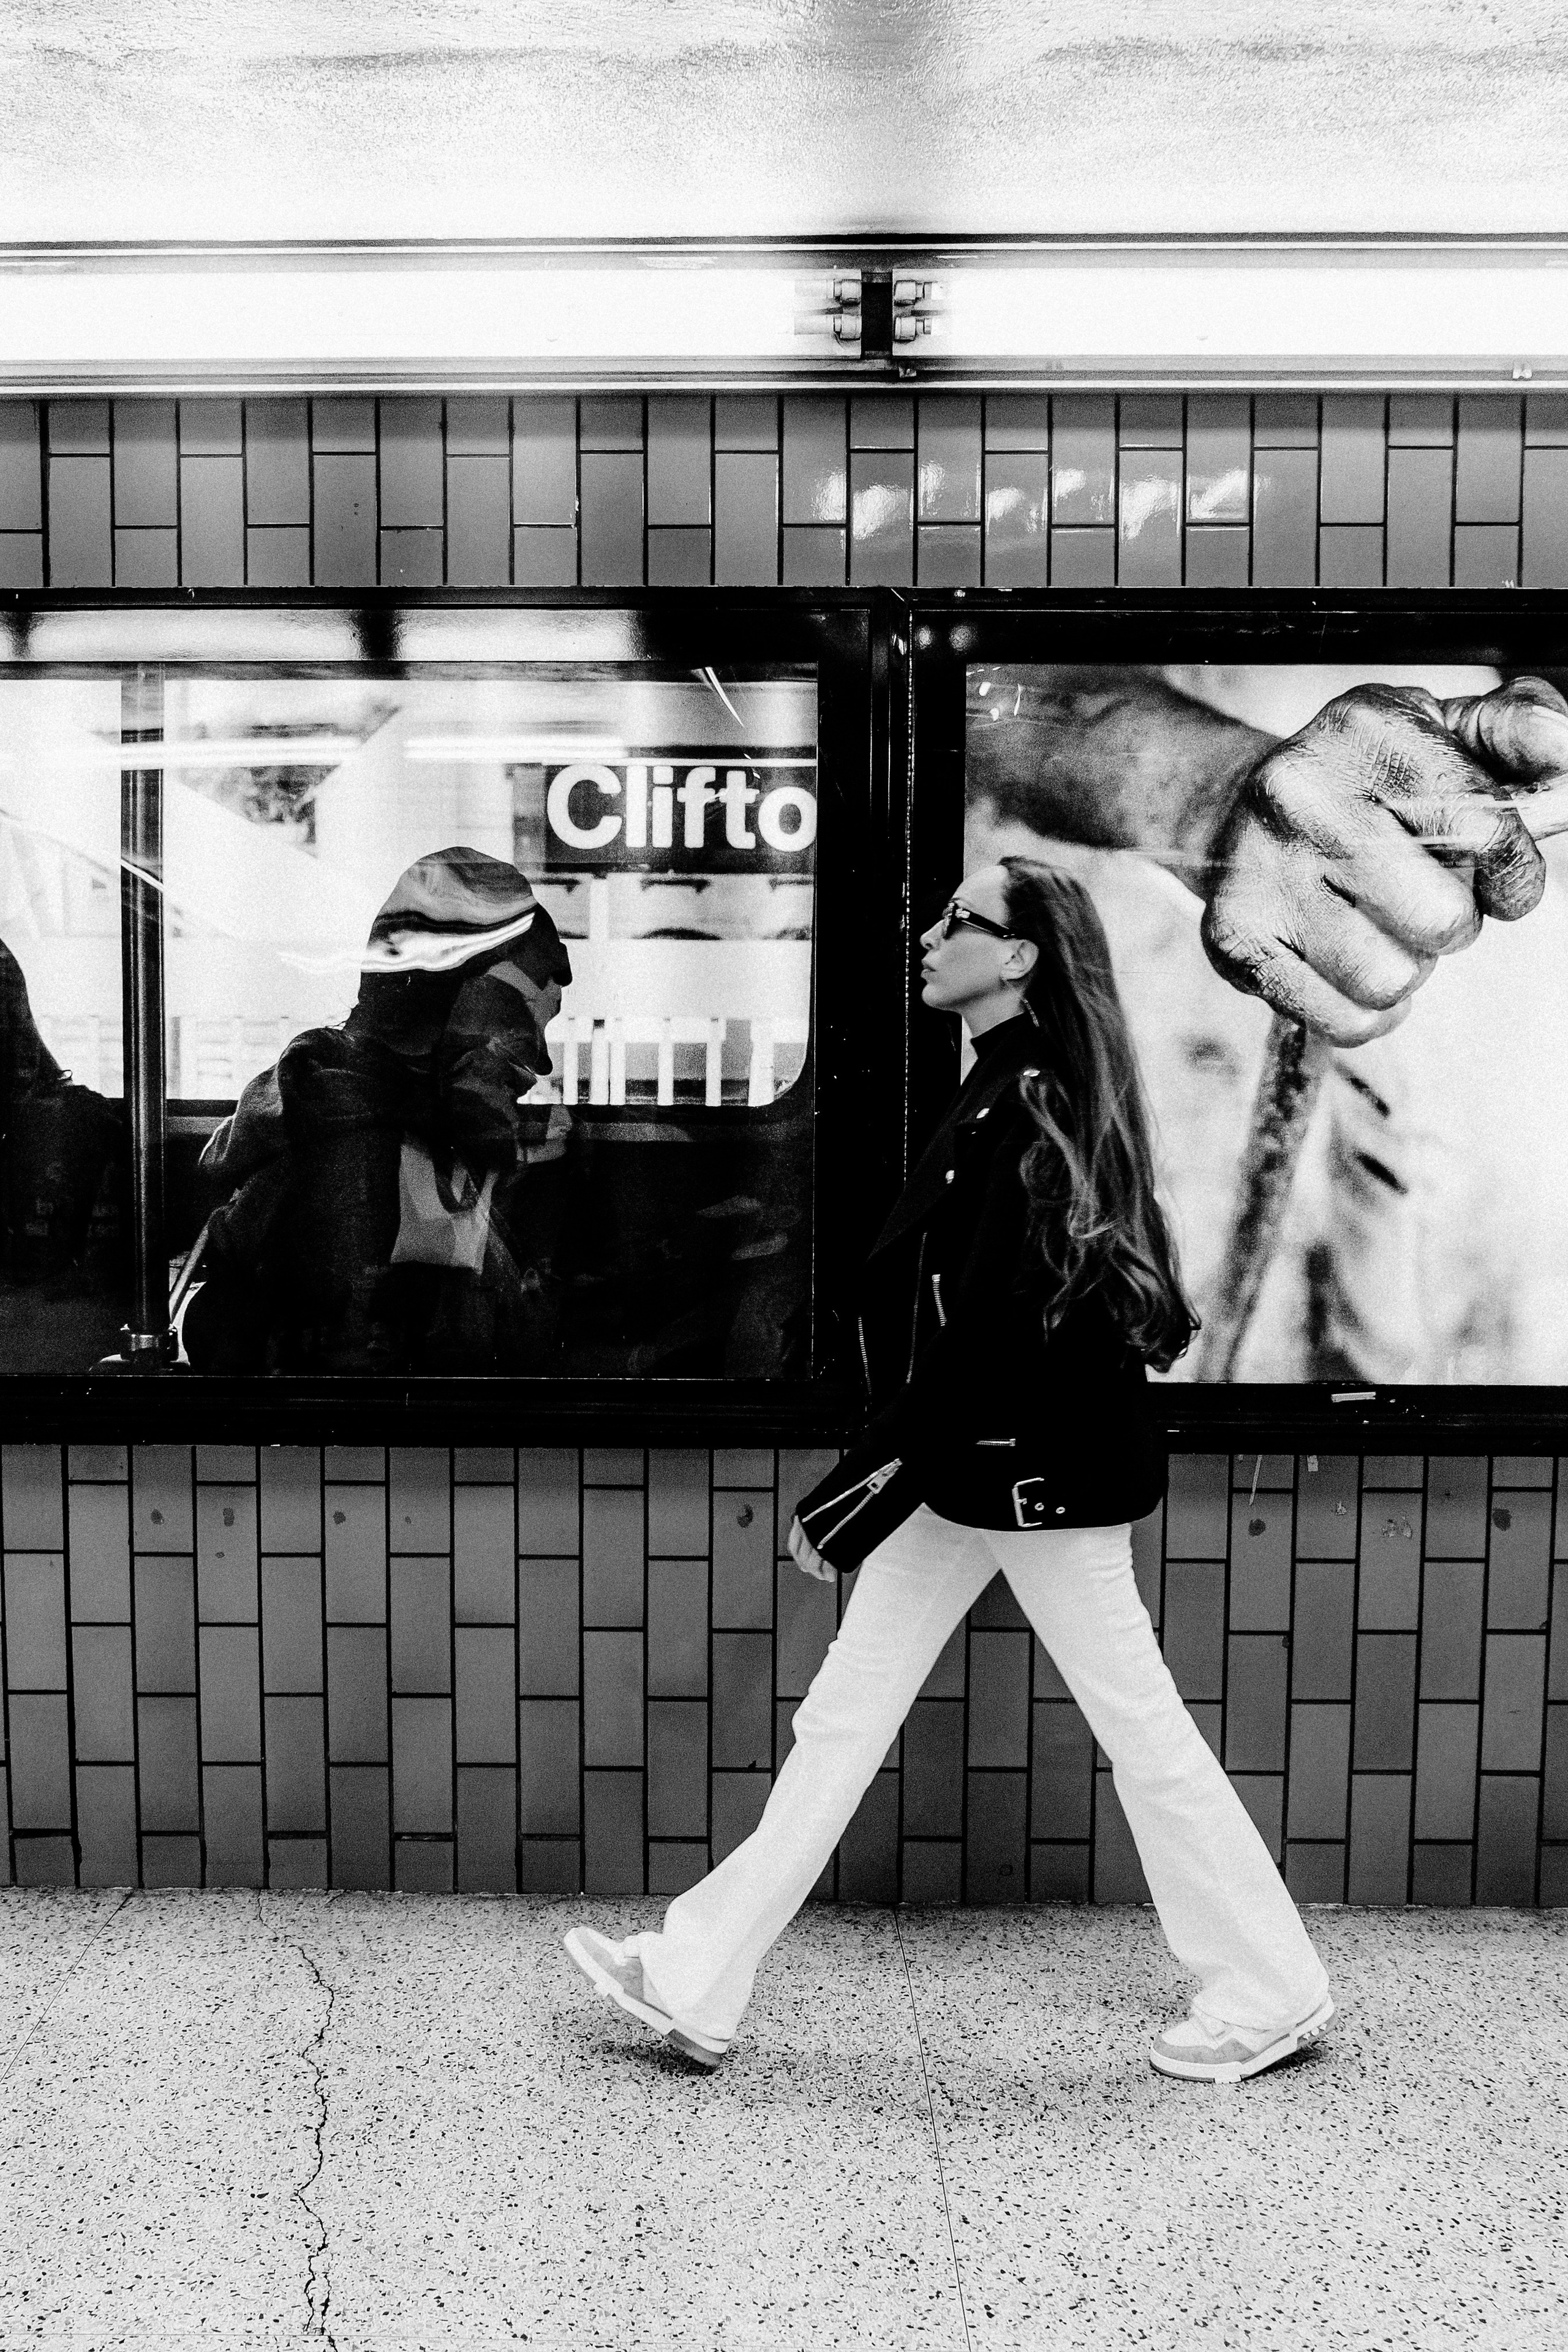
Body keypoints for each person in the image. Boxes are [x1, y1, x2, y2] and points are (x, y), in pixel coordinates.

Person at [565, 855, 1334, 2083]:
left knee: (1136, 1728)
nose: (928, 935)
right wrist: (881, 1483)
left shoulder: (1025, 1101)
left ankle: (1271, 1987)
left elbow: (989, 1333)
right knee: (843, 1717)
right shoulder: (1005, 1090)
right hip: (975, 1469)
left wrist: (857, 1489)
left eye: (957, 922)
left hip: (1026, 1475)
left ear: (1017, 957)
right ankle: (697, 1974)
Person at [183, 845, 573, 1374]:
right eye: (524, 1015)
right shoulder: (354, 1158)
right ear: (444, 1006)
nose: (540, 1060)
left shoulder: (409, 1132)